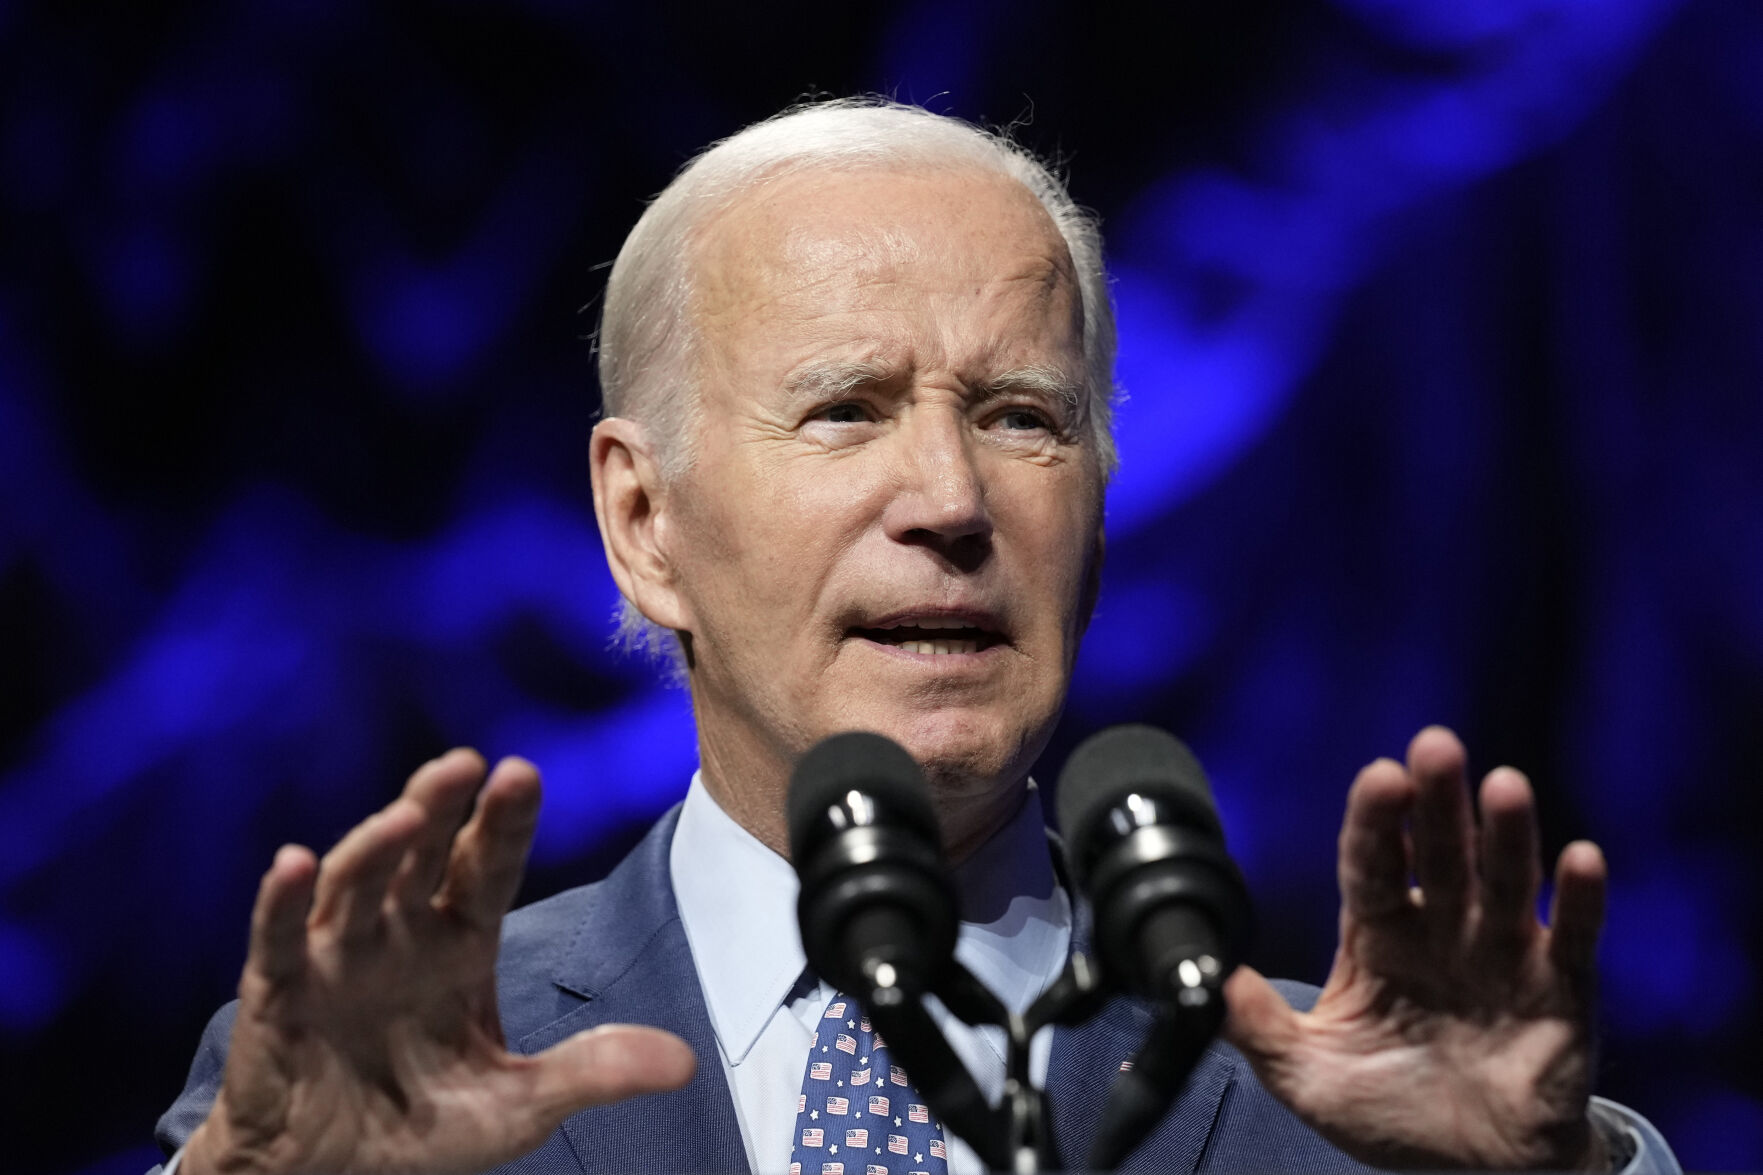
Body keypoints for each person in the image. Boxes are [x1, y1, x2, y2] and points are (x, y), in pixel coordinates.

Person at [152, 99, 1678, 1174]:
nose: (952, 499)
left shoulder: (1346, 1112)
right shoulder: (373, 1090)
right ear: (644, 521)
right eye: (846, 411)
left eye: (1023, 418)